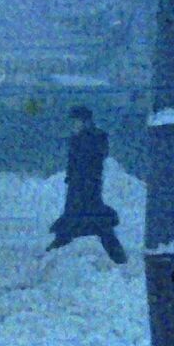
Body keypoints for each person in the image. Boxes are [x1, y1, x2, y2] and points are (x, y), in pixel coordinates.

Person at [48, 105, 127, 265]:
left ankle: (51, 254)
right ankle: (118, 257)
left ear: (85, 122)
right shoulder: (82, 139)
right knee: (90, 224)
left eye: (76, 122)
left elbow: (88, 165)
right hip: (80, 190)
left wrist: (82, 184)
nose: (73, 125)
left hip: (86, 190)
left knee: (89, 224)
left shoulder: (90, 139)